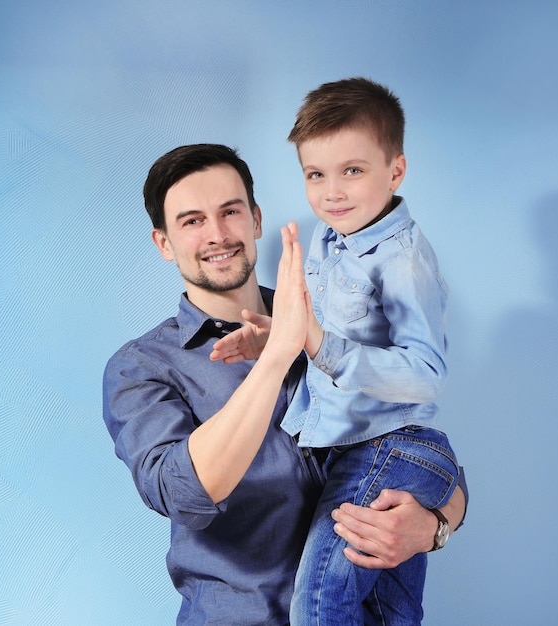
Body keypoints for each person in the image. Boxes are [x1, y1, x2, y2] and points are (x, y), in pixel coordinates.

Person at [103, 143, 467, 626]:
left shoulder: (337, 319)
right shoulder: (143, 366)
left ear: (255, 220)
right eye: (192, 221)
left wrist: (434, 526)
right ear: (164, 243)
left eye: (230, 212)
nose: (217, 234)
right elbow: (182, 492)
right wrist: (278, 354)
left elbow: (412, 446)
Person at [216, 78, 460, 625]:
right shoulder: (331, 240)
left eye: (352, 170)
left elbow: (426, 374)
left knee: (320, 605)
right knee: (388, 614)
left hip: (390, 449)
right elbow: (325, 335)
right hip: (350, 451)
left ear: (395, 171)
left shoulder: (400, 258)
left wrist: (319, 344)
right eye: (315, 175)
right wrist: (276, 338)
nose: (332, 192)